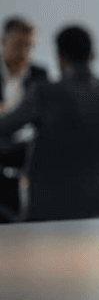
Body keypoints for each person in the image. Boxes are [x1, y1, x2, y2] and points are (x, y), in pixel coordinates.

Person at [0, 25, 99, 221]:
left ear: (60, 57)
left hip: (50, 206)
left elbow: (4, 127)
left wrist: (28, 148)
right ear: (93, 55)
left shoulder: (44, 93)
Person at [0, 16, 49, 218]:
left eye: (30, 46)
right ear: (4, 42)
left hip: (25, 156)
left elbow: (43, 118)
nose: (25, 52)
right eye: (19, 45)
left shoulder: (40, 75)